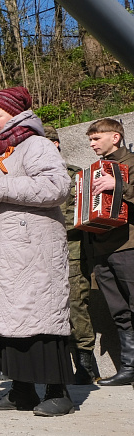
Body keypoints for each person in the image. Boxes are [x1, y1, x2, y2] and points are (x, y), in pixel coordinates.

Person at [0, 86, 74, 416]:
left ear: (16, 113)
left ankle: (58, 390)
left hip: (30, 250)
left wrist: (1, 188)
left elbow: (57, 186)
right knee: (8, 324)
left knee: (40, 317)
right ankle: (21, 391)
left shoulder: (35, 145)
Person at [44, 125, 99, 385]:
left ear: (54, 145)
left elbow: (79, 216)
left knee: (76, 307)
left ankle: (86, 366)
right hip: (39, 257)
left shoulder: (74, 176)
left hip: (71, 252)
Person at [83, 118, 134, 386]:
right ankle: (129, 368)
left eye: (96, 138)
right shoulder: (93, 171)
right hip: (101, 248)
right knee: (119, 311)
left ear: (115, 137)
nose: (92, 144)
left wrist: (119, 186)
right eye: (89, 140)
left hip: (128, 245)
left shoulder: (132, 163)